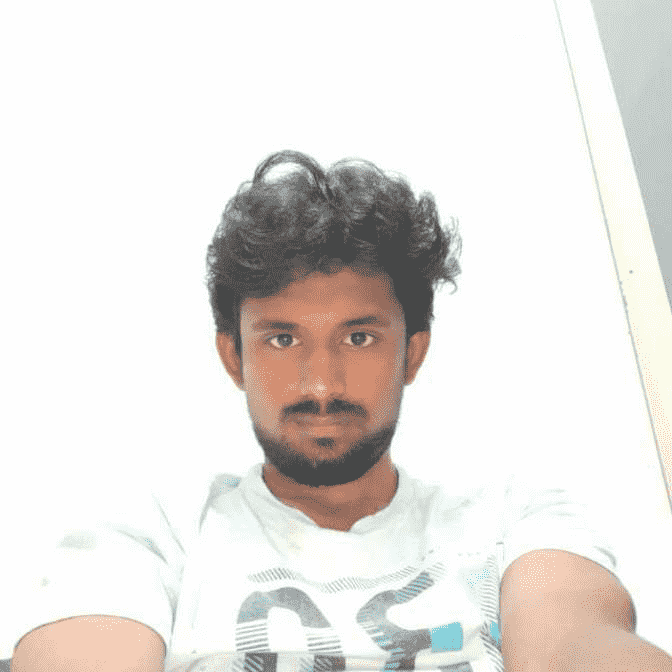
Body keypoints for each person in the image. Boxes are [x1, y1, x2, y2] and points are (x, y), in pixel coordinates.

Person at [7, 151, 671, 672]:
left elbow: (577, 647)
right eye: (282, 338)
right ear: (234, 357)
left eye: (358, 337)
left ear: (412, 352)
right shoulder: (153, 536)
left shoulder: (514, 519)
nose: (321, 382)